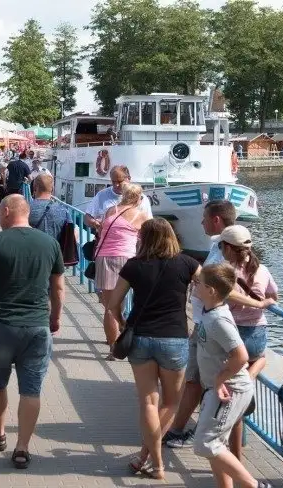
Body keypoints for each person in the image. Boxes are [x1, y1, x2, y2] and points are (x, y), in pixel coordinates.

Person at [164, 202, 276, 450]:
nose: (201, 223)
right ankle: (230, 447)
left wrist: (255, 303)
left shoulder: (222, 259)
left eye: (204, 218)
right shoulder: (256, 266)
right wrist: (260, 304)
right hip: (237, 327)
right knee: (227, 381)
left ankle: (191, 432)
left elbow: (223, 289)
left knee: (204, 382)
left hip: (216, 327)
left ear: (217, 222)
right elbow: (273, 295)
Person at [0, 195, 64, 470]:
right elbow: (58, 288)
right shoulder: (50, 243)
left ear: (7, 211)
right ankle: (22, 447)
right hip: (37, 326)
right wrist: (55, 319)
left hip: (2, 326)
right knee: (31, 390)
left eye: (0, 212)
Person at [106, 218, 201, 480]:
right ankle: (151, 460)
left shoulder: (134, 265)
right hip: (174, 339)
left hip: (140, 338)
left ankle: (150, 460)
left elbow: (113, 303)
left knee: (148, 402)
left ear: (144, 239)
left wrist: (123, 322)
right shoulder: (187, 263)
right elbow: (211, 285)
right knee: (171, 402)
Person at [192, 264, 273, 488]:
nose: (194, 285)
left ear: (211, 291)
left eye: (198, 283)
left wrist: (219, 379)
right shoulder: (210, 312)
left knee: (205, 444)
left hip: (230, 390)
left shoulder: (219, 319)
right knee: (216, 444)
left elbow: (241, 356)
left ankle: (253, 485)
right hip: (216, 388)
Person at [218, 224, 278, 460]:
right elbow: (274, 295)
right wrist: (261, 302)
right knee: (260, 358)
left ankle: (235, 455)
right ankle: (250, 378)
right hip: (257, 333)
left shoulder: (224, 272)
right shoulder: (262, 270)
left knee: (233, 398)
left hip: (232, 334)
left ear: (228, 248)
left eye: (221, 246)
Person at [94, 183, 150, 355]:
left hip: (103, 257)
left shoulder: (111, 211)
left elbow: (101, 232)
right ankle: (130, 336)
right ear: (138, 198)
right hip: (126, 259)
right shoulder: (141, 215)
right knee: (135, 301)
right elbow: (148, 240)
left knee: (110, 307)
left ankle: (113, 348)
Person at [85, 166, 153, 231]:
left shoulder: (141, 198)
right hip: (107, 237)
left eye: (119, 181)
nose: (116, 185)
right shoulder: (101, 195)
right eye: (113, 182)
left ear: (129, 178)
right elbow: (87, 218)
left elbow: (148, 222)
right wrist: (95, 223)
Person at [28, 174, 70, 242]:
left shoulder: (26, 208)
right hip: (55, 248)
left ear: (35, 188)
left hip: (31, 247)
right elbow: (71, 233)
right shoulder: (63, 210)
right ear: (52, 189)